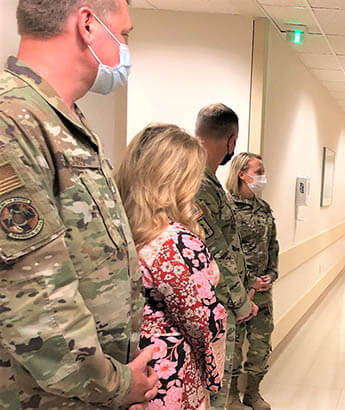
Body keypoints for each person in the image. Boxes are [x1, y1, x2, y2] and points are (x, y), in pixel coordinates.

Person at [0, 1, 159, 408]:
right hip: (47, 396)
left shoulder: (62, 120)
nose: (124, 50)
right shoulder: (12, 122)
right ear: (88, 25)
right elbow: (37, 302)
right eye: (123, 35)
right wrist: (117, 385)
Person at [116, 124, 228, 409]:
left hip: (129, 370)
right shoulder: (175, 242)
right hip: (171, 375)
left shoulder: (115, 230)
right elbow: (203, 322)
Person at [195, 103, 258, 410]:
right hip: (214, 306)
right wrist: (240, 301)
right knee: (213, 390)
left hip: (219, 303)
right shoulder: (199, 185)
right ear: (232, 140)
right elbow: (215, 252)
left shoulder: (208, 180)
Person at [225, 153, 279, 410]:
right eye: (259, 171)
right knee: (232, 344)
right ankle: (231, 395)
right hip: (236, 293)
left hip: (263, 293)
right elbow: (223, 252)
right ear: (241, 173)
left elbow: (273, 245)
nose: (262, 177)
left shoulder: (264, 208)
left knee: (260, 344)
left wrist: (272, 273)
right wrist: (248, 283)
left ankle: (253, 393)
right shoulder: (225, 207)